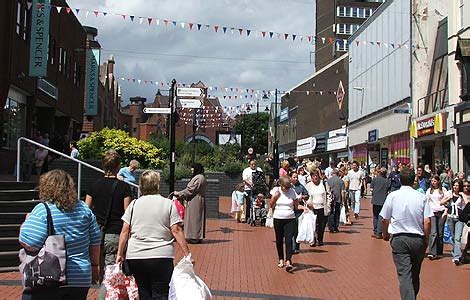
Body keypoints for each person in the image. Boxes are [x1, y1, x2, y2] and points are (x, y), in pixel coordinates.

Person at [20, 169, 101, 300]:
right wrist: (94, 266)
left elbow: (30, 244)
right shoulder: (84, 209)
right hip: (80, 277)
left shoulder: (43, 210)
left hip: (49, 277)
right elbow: (95, 241)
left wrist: (25, 223)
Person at [116, 170, 191, 299]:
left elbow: (125, 231)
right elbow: (176, 230)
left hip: (136, 255)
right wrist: (187, 253)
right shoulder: (168, 204)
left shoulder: (133, 204)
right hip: (161, 255)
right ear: (157, 185)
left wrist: (119, 254)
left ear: (141, 185)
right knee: (161, 293)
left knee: (143, 292)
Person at [380, 167, 432, 300]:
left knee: (405, 276)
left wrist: (385, 234)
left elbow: (385, 219)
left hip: (400, 239)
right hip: (417, 239)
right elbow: (427, 221)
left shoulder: (392, 196)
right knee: (414, 274)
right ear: (413, 180)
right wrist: (426, 239)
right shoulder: (421, 197)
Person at [85, 150, 132, 298]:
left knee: (101, 270)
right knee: (111, 273)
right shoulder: (124, 187)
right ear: (118, 166)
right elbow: (127, 214)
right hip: (115, 233)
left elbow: (86, 211)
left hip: (97, 233)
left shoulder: (94, 185)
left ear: (103, 165)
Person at [270, 176, 307, 272]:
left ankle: (288, 260)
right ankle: (281, 259)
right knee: (279, 239)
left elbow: (296, 205)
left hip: (290, 218)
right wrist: (275, 197)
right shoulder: (276, 191)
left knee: (289, 239)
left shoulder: (292, 191)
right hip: (278, 218)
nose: (287, 189)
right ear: (281, 185)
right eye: (285, 187)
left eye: (288, 187)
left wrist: (303, 208)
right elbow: (271, 204)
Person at [173, 163, 207, 244]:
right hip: (195, 199)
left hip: (195, 200)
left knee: (194, 218)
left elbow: (190, 190)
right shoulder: (200, 177)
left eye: (193, 168)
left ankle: (194, 237)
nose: (191, 170)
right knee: (195, 218)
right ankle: (195, 236)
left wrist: (179, 193)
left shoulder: (198, 178)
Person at [440, 179, 466, 265]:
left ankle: (457, 257)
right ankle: (455, 251)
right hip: (451, 218)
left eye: (457, 186)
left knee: (457, 238)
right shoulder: (449, 193)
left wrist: (463, 196)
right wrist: (448, 198)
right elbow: (441, 202)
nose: (455, 187)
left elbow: (466, 204)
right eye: (454, 185)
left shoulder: (462, 195)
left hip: (459, 219)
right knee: (453, 236)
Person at [305, 166, 330, 246]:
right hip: (313, 208)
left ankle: (320, 239)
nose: (315, 177)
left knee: (321, 225)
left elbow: (328, 195)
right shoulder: (308, 185)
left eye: (316, 175)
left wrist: (328, 206)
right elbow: (306, 196)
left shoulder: (323, 184)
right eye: (313, 176)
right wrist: (309, 203)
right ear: (311, 177)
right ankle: (313, 239)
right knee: (313, 225)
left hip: (322, 207)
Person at [425, 175, 447, 260]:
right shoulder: (429, 191)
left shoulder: (443, 190)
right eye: (432, 181)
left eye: (434, 181)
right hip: (432, 212)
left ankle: (439, 251)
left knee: (440, 233)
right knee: (433, 232)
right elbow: (426, 201)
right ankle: (432, 252)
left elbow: (446, 200)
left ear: (438, 181)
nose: (433, 182)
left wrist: (445, 211)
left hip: (441, 212)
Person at [290, 171, 309, 254]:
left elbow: (307, 195)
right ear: (290, 178)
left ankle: (296, 247)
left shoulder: (300, 186)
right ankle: (290, 247)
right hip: (290, 210)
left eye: (296, 177)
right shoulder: (288, 187)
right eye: (294, 177)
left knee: (297, 228)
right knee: (291, 229)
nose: (296, 179)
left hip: (298, 210)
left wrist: (303, 197)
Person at [371, 167, 390, 239]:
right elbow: (388, 189)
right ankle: (379, 232)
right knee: (380, 216)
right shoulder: (387, 181)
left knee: (375, 216)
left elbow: (372, 187)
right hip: (383, 200)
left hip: (375, 200)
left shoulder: (375, 179)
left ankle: (376, 231)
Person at [241, 160, 263, 224]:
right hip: (248, 189)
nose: (253, 165)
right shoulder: (246, 170)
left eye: (255, 164)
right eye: (252, 164)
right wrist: (251, 184)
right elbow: (245, 179)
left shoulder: (259, 169)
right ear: (249, 164)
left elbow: (261, 177)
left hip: (257, 189)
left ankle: (256, 216)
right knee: (249, 203)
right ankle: (248, 217)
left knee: (257, 203)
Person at [327, 168, 344, 233]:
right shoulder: (340, 181)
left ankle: (331, 227)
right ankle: (336, 227)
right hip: (338, 198)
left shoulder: (328, 181)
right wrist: (343, 200)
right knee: (337, 212)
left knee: (331, 212)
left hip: (330, 199)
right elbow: (342, 192)